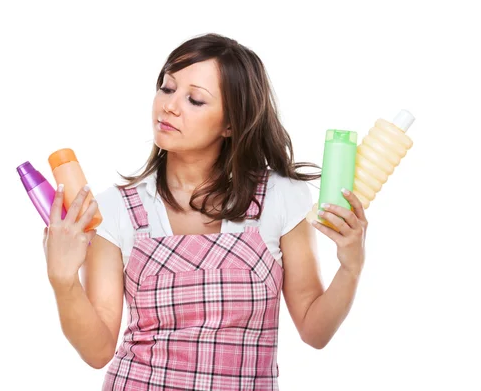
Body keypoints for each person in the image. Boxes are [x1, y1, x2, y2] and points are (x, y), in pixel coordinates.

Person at [42, 33, 368, 390]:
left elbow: (314, 330)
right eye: (167, 88)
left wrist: (351, 266)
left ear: (231, 123)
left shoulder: (282, 197)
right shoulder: (115, 209)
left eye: (195, 99)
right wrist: (63, 280)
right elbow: (98, 350)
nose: (169, 106)